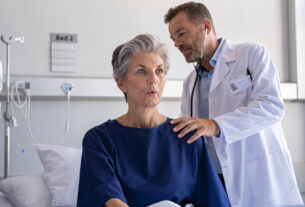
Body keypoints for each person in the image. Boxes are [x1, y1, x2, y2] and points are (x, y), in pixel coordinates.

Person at [164, 2, 304, 207]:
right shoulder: (190, 83)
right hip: (214, 183)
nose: (177, 43)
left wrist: (215, 125)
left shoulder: (251, 55)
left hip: (258, 178)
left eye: (181, 34)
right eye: (173, 38)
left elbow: (271, 106)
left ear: (206, 27)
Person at [77, 34, 231, 207]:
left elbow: (215, 200)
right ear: (121, 84)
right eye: (142, 71)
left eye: (159, 71)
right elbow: (107, 196)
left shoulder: (188, 137)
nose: (154, 80)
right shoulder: (100, 139)